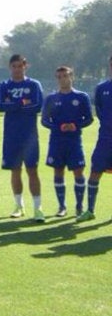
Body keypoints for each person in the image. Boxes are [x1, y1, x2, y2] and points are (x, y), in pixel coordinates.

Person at [0, 54, 45, 222]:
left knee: (32, 170)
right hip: (11, 136)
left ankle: (38, 208)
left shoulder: (33, 84)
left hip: (30, 136)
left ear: (25, 66)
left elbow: (37, 106)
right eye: (14, 66)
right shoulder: (3, 85)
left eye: (20, 66)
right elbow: (2, 106)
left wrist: (14, 103)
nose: (17, 69)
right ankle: (19, 206)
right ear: (10, 67)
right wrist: (23, 102)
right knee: (15, 170)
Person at [41, 66, 93, 217]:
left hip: (74, 141)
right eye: (59, 76)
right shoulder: (51, 98)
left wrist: (75, 126)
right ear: (56, 79)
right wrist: (58, 127)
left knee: (78, 172)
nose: (62, 79)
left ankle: (79, 206)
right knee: (58, 171)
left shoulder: (81, 97)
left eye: (65, 75)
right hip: (57, 141)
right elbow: (44, 121)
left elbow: (89, 118)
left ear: (72, 77)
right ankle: (62, 206)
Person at [81, 55, 112, 221]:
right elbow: (99, 111)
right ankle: (90, 210)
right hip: (105, 138)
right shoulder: (102, 88)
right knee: (95, 171)